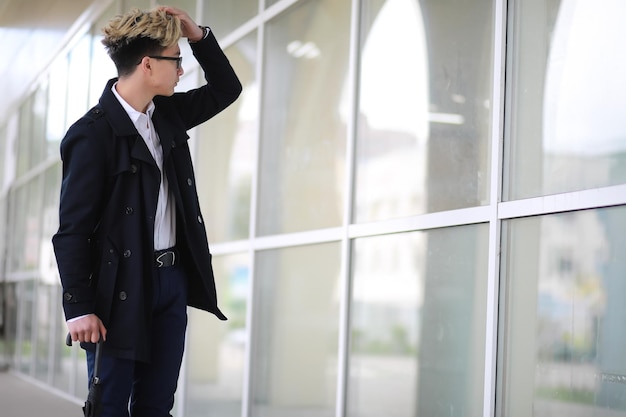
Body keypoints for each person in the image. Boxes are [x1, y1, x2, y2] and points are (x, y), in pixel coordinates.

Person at [52, 5, 241, 417]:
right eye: (176, 59)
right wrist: (78, 305)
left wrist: (199, 37)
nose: (182, 70)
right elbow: (72, 230)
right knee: (110, 406)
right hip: (119, 287)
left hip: (170, 282)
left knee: (157, 406)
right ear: (147, 64)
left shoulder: (168, 115)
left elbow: (227, 89)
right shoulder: (92, 134)